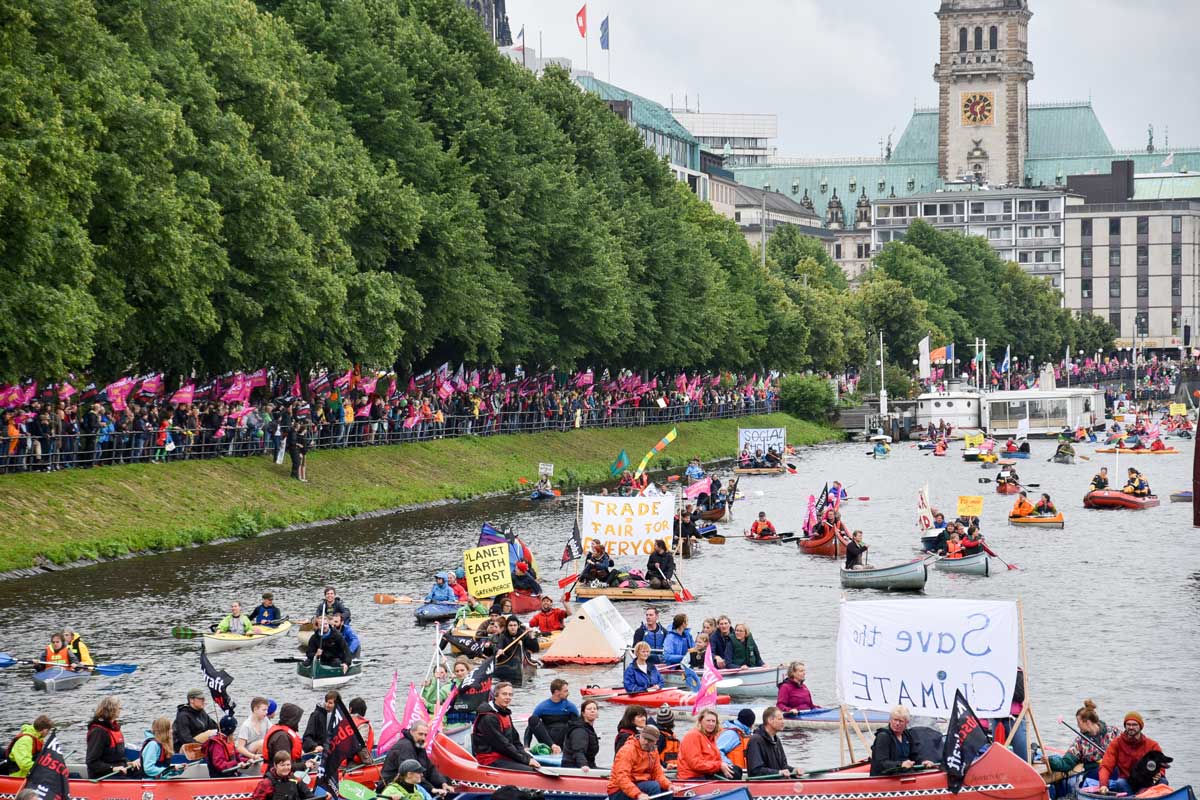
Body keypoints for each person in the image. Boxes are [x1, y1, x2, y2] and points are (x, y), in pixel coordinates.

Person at [470, 682, 538, 771]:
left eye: (510, 695)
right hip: (489, 759)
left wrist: (528, 757)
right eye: (504, 694)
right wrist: (525, 760)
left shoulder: (505, 714)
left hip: (504, 754)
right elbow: (502, 745)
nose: (508, 697)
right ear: (495, 696)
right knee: (530, 770)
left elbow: (516, 741)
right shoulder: (488, 717)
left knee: (534, 764)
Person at [1047, 700, 1119, 783]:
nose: (1078, 725)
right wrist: (1050, 760)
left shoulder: (1113, 732)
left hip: (1115, 771)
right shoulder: (1080, 742)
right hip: (1093, 776)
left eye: (1079, 722)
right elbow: (1067, 763)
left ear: (1088, 722)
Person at [1096, 712, 1166, 794]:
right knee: (1119, 783)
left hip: (1147, 782)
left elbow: (1161, 766)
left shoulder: (1152, 745)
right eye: (1128, 724)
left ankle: (1144, 794)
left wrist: (1159, 774)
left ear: (1140, 726)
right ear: (1125, 726)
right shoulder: (1116, 743)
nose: (1131, 727)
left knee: (1163, 781)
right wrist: (1103, 785)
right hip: (1127, 782)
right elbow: (1106, 766)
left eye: (1134, 724)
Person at [378, 721, 446, 795]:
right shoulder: (405, 747)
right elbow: (412, 773)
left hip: (410, 781)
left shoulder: (419, 745)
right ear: (411, 732)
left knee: (446, 781)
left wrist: (442, 783)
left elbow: (430, 768)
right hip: (390, 785)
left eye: (425, 735)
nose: (423, 738)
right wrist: (431, 789)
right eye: (420, 734)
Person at [608, 726, 672, 800]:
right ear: (640, 735)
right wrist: (638, 794)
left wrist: (669, 785)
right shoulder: (628, 750)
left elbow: (657, 774)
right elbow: (622, 778)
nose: (646, 742)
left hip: (638, 784)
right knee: (653, 786)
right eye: (644, 738)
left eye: (650, 740)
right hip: (618, 790)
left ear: (655, 741)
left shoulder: (654, 751)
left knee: (667, 791)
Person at [870, 706, 936, 776]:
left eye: (901, 721)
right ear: (890, 720)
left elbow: (914, 756)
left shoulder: (907, 735)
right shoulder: (883, 736)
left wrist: (923, 762)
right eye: (895, 720)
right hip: (885, 777)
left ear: (906, 722)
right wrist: (901, 764)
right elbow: (880, 763)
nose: (897, 723)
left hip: (902, 774)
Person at [677, 709, 735, 780]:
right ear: (700, 721)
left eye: (713, 721)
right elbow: (695, 764)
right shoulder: (693, 736)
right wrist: (719, 765)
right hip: (692, 777)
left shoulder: (710, 737)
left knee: (736, 770)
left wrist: (723, 765)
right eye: (708, 721)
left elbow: (716, 760)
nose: (711, 724)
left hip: (706, 773)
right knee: (734, 773)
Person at [524, 678, 579, 752]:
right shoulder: (542, 707)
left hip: (564, 741)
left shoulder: (570, 707)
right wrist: (526, 746)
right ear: (556, 692)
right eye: (565, 691)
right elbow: (530, 726)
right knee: (533, 719)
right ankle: (553, 746)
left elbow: (578, 727)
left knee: (574, 723)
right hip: (547, 742)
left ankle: (562, 748)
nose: (568, 693)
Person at [262, 703, 314, 774]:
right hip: (277, 776)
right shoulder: (282, 737)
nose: (298, 722)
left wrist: (305, 763)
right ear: (292, 719)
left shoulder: (283, 733)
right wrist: (304, 765)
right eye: (297, 719)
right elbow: (283, 766)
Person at [86, 696, 129, 778]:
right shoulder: (98, 732)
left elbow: (117, 757)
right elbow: (92, 762)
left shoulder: (113, 728)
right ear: (111, 710)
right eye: (118, 708)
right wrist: (112, 768)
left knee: (140, 771)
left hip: (118, 769)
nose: (120, 710)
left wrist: (128, 762)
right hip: (104, 774)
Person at [746, 707, 796, 777]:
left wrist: (794, 770)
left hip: (778, 781)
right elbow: (755, 770)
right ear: (770, 720)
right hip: (762, 784)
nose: (783, 722)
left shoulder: (777, 740)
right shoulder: (755, 740)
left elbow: (783, 766)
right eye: (780, 719)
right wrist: (778, 773)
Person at [493, 616, 539, 684]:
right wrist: (498, 650)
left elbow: (535, 649)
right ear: (507, 627)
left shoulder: (523, 634)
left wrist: (532, 636)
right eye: (510, 625)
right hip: (507, 661)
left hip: (523, 661)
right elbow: (498, 647)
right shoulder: (503, 636)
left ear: (518, 626)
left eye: (515, 625)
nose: (513, 627)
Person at [561, 699, 600, 771]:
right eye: (589, 709)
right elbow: (578, 751)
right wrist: (583, 764)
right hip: (573, 767)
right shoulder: (579, 730)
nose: (592, 711)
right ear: (583, 713)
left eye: (594, 709)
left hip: (590, 764)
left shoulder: (589, 728)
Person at [714, 709, 754, 777]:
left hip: (741, 773)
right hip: (731, 774)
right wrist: (730, 765)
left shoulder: (741, 733)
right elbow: (717, 751)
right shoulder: (732, 734)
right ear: (751, 723)